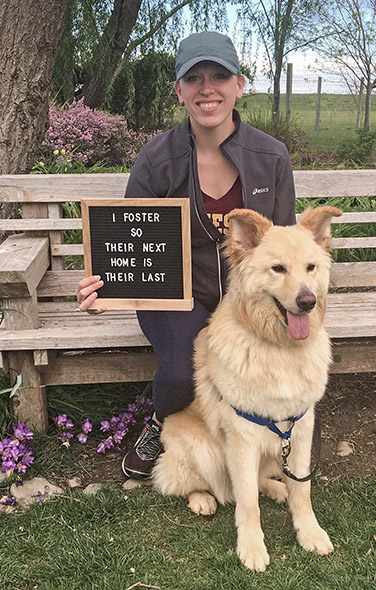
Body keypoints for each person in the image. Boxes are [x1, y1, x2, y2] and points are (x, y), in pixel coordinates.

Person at [76, 31, 296, 479]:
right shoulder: (157, 160)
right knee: (182, 371)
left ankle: (271, 431)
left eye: (219, 76)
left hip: (245, 297)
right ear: (179, 91)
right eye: (193, 78)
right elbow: (128, 242)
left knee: (271, 351)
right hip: (177, 295)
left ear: (239, 85)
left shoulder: (271, 157)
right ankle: (161, 422)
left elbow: (286, 243)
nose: (207, 88)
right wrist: (106, 288)